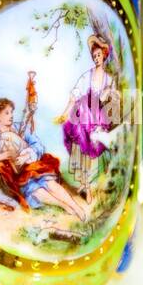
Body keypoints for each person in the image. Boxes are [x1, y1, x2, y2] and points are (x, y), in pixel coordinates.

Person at [0, 98, 89, 220]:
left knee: (49, 183)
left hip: (33, 165)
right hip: (17, 175)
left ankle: (76, 207)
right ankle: (63, 205)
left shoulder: (21, 128)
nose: (11, 115)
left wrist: (26, 155)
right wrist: (3, 156)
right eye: (7, 113)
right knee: (35, 190)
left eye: (11, 112)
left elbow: (38, 145)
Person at [56, 34, 118, 195]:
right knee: (80, 145)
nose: (96, 58)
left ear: (104, 55)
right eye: (94, 56)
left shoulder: (109, 79)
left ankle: (89, 184)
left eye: (99, 55)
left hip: (99, 117)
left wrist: (110, 95)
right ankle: (84, 182)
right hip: (83, 113)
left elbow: (112, 100)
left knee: (93, 146)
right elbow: (75, 94)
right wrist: (65, 113)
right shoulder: (87, 76)